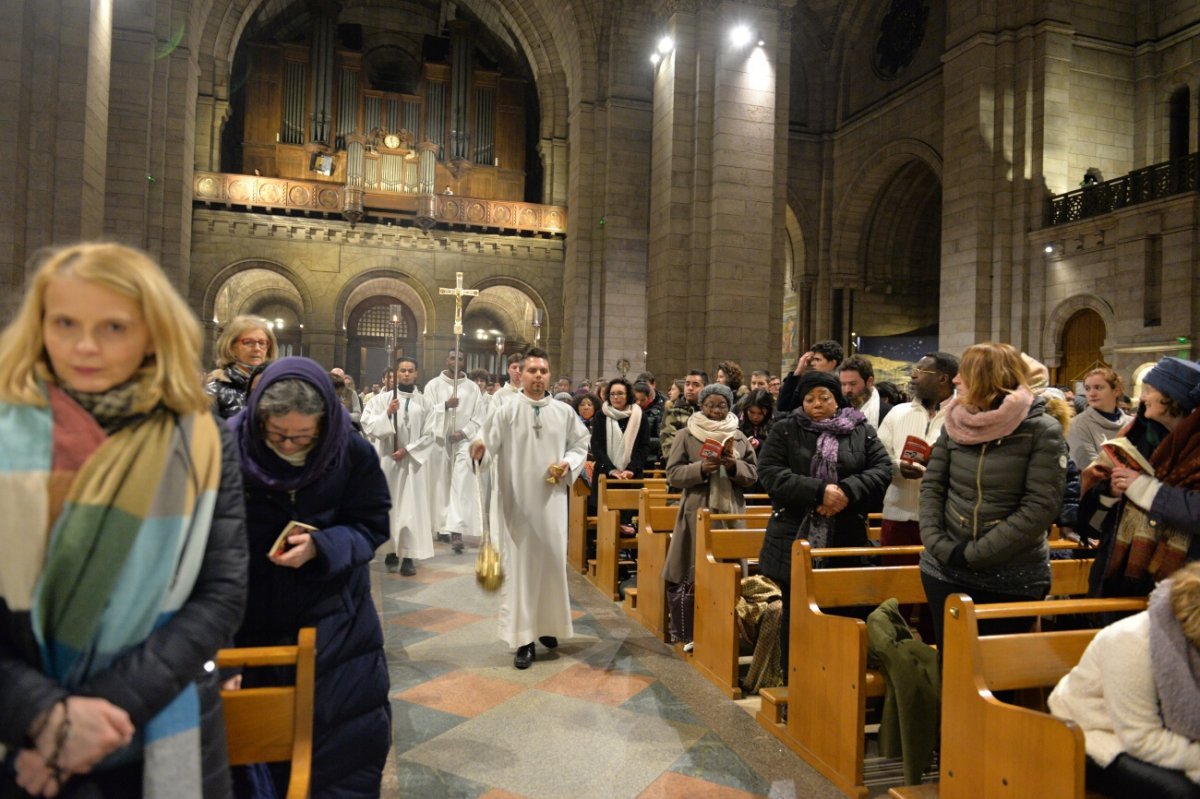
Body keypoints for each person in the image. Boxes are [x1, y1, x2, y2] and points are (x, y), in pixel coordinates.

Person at [0, 242, 248, 798]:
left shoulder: (201, 440)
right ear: (39, 325)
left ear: (152, 333)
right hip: (17, 739)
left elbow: (222, 595)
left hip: (157, 731)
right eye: (64, 323)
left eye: (114, 327)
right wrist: (43, 716)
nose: (85, 346)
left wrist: (94, 717)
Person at [229, 356, 391, 798]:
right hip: (247, 621)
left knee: (340, 754)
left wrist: (324, 546)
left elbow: (372, 525)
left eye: (303, 437)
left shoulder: (351, 450)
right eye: (277, 435)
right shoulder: (227, 449)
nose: (288, 446)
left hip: (337, 623)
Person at [918, 342, 1066, 649]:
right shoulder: (955, 422)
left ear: (987, 378)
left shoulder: (1041, 430)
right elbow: (933, 486)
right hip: (943, 568)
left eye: (964, 373)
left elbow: (1040, 506)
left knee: (998, 673)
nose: (956, 380)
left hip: (1012, 574)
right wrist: (939, 545)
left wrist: (975, 554)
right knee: (953, 665)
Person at [756, 371, 892, 671]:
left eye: (824, 398)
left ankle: (840, 682)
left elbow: (882, 468)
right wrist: (819, 493)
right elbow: (769, 472)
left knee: (845, 610)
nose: (817, 404)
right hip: (795, 534)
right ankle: (797, 684)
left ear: (837, 399)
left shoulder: (860, 429)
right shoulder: (786, 429)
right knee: (799, 614)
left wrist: (845, 491)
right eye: (809, 399)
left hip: (847, 535)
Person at [470, 348, 590, 669]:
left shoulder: (563, 412)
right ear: (520, 374)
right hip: (517, 504)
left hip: (551, 503)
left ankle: (548, 627)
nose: (538, 376)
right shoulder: (507, 410)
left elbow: (580, 444)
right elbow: (487, 444)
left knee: (551, 564)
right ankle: (524, 638)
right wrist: (480, 451)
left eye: (544, 371)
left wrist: (568, 463)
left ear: (549, 376)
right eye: (532, 370)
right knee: (521, 569)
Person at [1048, 563, 1200, 799]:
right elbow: (1141, 739)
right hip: (1089, 735)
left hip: (1152, 734)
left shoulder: (1190, 638)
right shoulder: (1132, 641)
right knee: (1181, 793)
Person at [1086, 357, 1200, 597]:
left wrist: (1146, 490)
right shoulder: (1136, 435)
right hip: (1119, 576)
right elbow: (1088, 513)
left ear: (1172, 398)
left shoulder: (1194, 451)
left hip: (1180, 585)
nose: (1143, 397)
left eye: (1149, 390)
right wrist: (1110, 492)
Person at [662, 384, 759, 643]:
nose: (716, 410)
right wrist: (700, 469)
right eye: (710, 405)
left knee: (729, 571)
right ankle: (691, 632)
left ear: (729, 407)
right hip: (697, 510)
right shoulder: (686, 434)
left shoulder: (738, 437)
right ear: (701, 406)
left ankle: (725, 633)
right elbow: (673, 474)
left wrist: (734, 465)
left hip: (730, 513)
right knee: (692, 571)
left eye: (722, 405)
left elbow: (752, 475)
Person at [875, 352, 958, 641]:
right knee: (895, 595)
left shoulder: (961, 414)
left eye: (920, 371)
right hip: (898, 514)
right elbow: (877, 457)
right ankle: (894, 651)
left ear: (943, 378)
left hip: (942, 521)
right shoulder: (898, 413)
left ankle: (934, 654)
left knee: (936, 595)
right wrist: (898, 467)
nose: (913, 376)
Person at [360, 355, 434, 576]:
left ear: (416, 373)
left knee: (411, 509)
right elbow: (367, 424)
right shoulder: (380, 400)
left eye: (411, 370)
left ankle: (409, 555)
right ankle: (392, 551)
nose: (406, 374)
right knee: (391, 508)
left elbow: (430, 434)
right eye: (403, 370)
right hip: (388, 461)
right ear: (396, 374)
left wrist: (408, 450)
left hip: (412, 464)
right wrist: (387, 414)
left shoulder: (425, 403)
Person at [424, 349, 485, 553]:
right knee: (441, 483)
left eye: (460, 358)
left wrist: (464, 432)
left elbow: (479, 417)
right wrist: (445, 406)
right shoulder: (433, 386)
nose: (456, 361)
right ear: (446, 360)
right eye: (452, 358)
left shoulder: (473, 389)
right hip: (440, 441)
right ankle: (442, 526)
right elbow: (426, 412)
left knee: (460, 483)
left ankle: (456, 530)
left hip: (463, 442)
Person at [206, 314, 278, 419]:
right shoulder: (214, 390)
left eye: (262, 343)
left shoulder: (278, 386)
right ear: (231, 347)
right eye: (248, 342)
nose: (257, 348)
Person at [1069, 366, 1134, 470]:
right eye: (1087, 388)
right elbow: (1091, 468)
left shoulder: (1132, 424)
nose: (1092, 393)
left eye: (1098, 388)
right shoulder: (1077, 424)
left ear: (1116, 391)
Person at [592, 377, 650, 480]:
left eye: (620, 393)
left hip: (632, 475)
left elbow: (644, 447)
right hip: (605, 473)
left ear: (628, 395)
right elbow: (597, 447)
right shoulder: (601, 415)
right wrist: (611, 469)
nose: (615, 397)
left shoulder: (640, 416)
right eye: (612, 394)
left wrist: (631, 469)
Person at [777, 339, 844, 413]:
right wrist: (798, 371)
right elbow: (783, 405)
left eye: (817, 360)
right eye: (812, 360)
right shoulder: (807, 382)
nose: (812, 363)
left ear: (832, 363)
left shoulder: (843, 383)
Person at [660, 370, 706, 460]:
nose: (690, 388)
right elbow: (669, 449)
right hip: (683, 468)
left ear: (705, 388)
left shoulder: (710, 413)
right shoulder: (673, 412)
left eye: (696, 385)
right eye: (687, 384)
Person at [838, 355, 893, 429]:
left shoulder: (888, 413)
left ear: (869, 381)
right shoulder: (838, 410)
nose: (847, 390)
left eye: (853, 384)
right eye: (843, 384)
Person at [739, 388, 775, 458]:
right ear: (746, 410)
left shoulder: (774, 424)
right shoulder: (737, 423)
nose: (755, 417)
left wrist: (759, 444)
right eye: (751, 412)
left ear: (767, 412)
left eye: (760, 413)